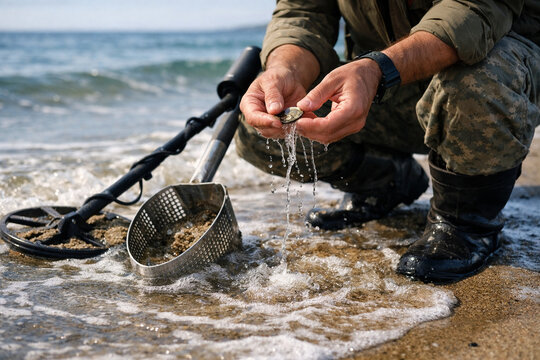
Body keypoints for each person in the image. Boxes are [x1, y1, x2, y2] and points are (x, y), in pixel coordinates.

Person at [237, 0, 540, 282]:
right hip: (388, 81)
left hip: (500, 75)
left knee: (476, 81)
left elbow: (471, 8)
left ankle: (467, 221)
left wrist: (376, 70)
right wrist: (284, 68)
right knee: (261, 130)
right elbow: (303, 12)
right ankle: (386, 182)